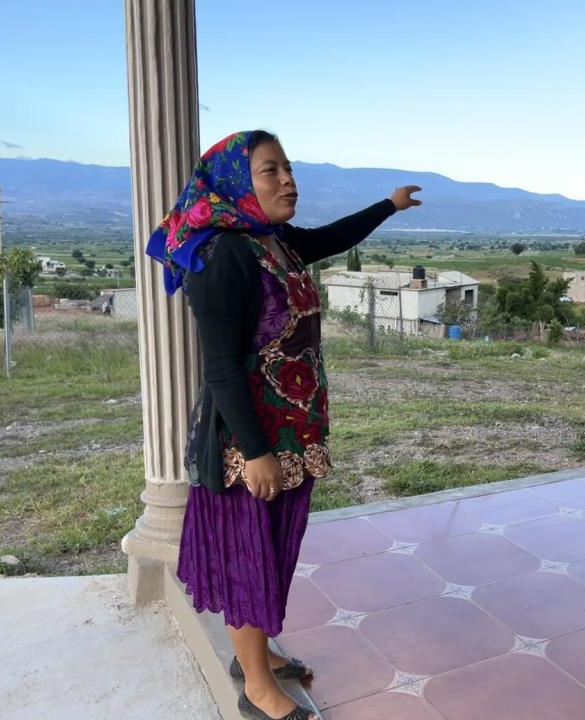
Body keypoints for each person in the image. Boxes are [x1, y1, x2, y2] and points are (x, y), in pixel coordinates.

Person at [146, 129, 421, 720]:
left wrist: (387, 206)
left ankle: (258, 653)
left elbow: (328, 238)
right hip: (250, 442)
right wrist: (256, 452)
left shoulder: (272, 241)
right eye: (270, 170)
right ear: (236, 183)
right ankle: (255, 688)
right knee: (251, 557)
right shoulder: (223, 256)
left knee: (272, 551)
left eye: (288, 168)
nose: (287, 179)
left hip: (291, 431)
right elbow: (219, 366)